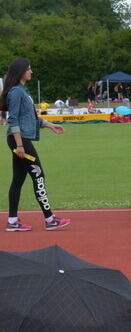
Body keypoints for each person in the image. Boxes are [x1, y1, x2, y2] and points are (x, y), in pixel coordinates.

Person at [2, 58, 70, 232]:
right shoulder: (17, 92)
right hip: (20, 141)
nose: (31, 72)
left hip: (20, 139)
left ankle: (12, 221)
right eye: (29, 69)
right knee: (38, 175)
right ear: (21, 72)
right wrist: (20, 146)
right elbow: (14, 119)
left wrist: (50, 125)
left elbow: (30, 119)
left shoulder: (22, 91)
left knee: (18, 179)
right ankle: (49, 219)